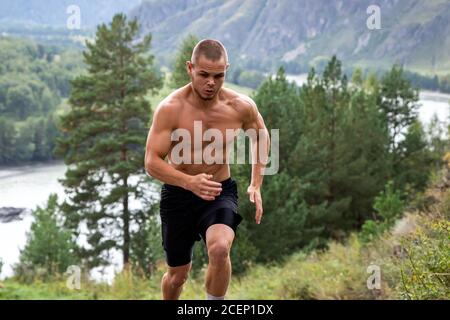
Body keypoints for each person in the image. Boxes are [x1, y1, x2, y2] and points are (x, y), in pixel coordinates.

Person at [145, 39, 270, 300]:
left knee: (220, 249)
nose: (211, 82)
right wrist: (189, 182)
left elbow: (261, 136)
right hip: (178, 196)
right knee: (177, 276)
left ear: (227, 70)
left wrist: (255, 182)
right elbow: (152, 162)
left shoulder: (240, 106)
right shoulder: (171, 109)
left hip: (218, 191)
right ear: (190, 68)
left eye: (218, 75)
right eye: (203, 75)